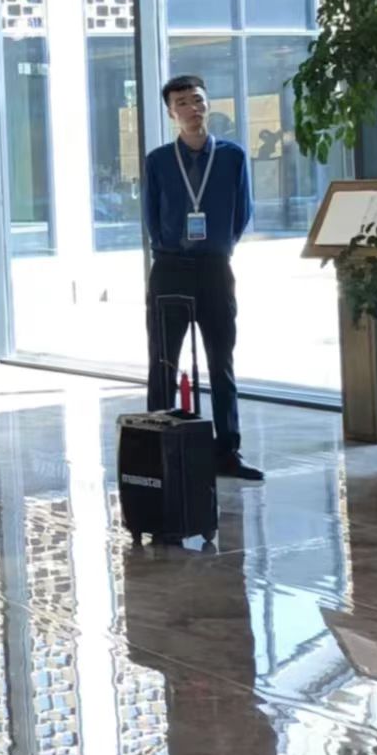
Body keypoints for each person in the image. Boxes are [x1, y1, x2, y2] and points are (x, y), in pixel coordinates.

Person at [142, 74, 263, 481]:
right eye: (182, 103)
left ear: (207, 103)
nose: (192, 108)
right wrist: (171, 247)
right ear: (171, 113)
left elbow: (243, 211)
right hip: (170, 268)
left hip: (214, 267)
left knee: (221, 361)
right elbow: (152, 216)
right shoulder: (159, 160)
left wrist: (219, 246)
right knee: (163, 360)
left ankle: (228, 452)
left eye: (197, 100)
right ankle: (159, 450)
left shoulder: (232, 157)